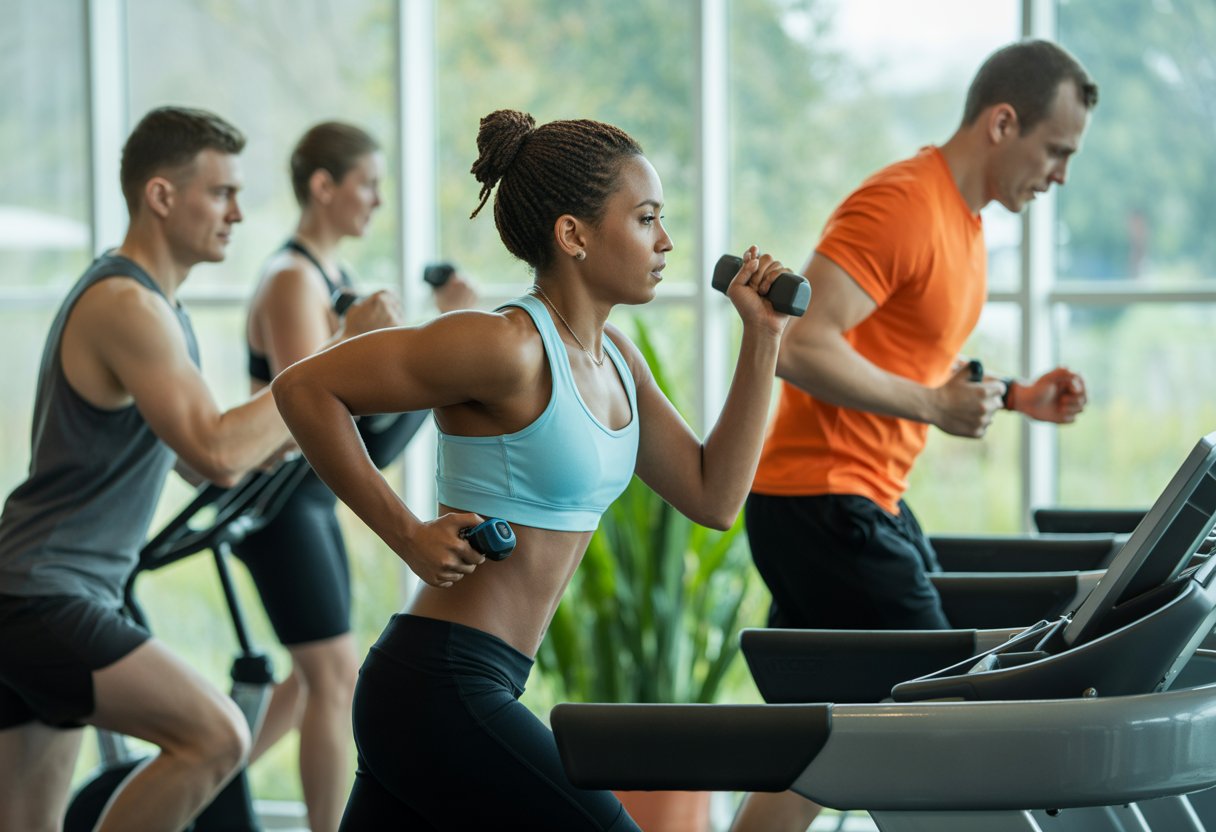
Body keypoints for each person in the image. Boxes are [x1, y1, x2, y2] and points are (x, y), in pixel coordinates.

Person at [271, 109, 794, 830]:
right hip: (442, 684)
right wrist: (406, 534)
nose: (666, 241)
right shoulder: (504, 346)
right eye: (645, 219)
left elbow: (715, 496)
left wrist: (761, 340)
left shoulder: (619, 360)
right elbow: (303, 388)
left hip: (470, 683)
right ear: (573, 234)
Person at [731, 39, 1098, 831]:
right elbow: (798, 345)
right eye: (1057, 150)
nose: (1061, 175)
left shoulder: (962, 224)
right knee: (949, 725)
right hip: (826, 505)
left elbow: (909, 352)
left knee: (821, 749)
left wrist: (1016, 397)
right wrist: (933, 408)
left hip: (844, 503)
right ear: (1004, 123)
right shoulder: (902, 202)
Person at [0, 106, 300, 832]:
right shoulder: (126, 304)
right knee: (216, 736)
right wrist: (327, 370)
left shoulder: (160, 309)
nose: (238, 211)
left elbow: (214, 469)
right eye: (221, 192)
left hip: (47, 591)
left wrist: (317, 420)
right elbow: (219, 449)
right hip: (45, 596)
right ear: (161, 196)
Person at [238, 121, 475, 832]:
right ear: (323, 186)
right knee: (334, 676)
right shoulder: (290, 281)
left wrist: (441, 349)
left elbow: (370, 434)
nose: (376, 200)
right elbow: (317, 421)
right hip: (278, 508)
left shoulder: (334, 280)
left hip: (310, 506)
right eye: (367, 184)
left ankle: (203, 770)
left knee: (312, 682)